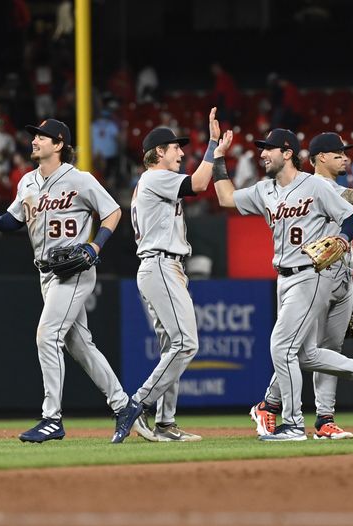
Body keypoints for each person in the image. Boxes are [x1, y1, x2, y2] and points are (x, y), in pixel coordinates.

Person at [0, 118, 137, 443]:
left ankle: (51, 418)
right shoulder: (27, 182)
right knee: (81, 345)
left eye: (41, 137)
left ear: (58, 144)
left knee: (47, 336)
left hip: (75, 270)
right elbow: (14, 219)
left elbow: (113, 211)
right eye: (34, 136)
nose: (34, 141)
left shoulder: (79, 179)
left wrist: (94, 244)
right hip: (46, 273)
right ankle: (123, 406)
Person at [214, 128, 353, 441]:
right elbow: (225, 197)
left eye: (269, 149)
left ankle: (292, 423)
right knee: (306, 354)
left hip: (310, 274)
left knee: (282, 346)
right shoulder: (263, 190)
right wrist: (217, 156)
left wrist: (343, 241)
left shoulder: (315, 186)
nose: (262, 154)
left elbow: (351, 220)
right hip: (283, 277)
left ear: (287, 152)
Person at [118, 108, 233, 444]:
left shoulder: (152, 183)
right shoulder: (155, 177)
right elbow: (199, 183)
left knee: (173, 346)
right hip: (160, 264)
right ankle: (137, 404)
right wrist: (212, 144)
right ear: (158, 154)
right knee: (186, 343)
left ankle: (166, 424)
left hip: (161, 266)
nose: (181, 152)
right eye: (175, 148)